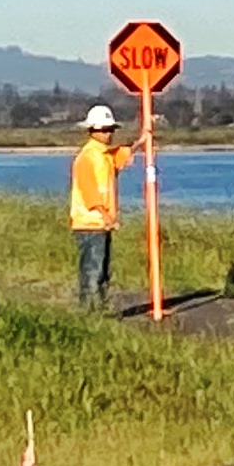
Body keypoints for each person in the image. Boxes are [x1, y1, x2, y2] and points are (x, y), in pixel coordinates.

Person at [67, 105, 136, 311]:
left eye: (111, 130)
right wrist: (106, 216)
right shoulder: (87, 157)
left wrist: (141, 142)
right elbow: (90, 193)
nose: (109, 134)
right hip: (89, 223)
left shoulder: (105, 155)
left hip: (100, 224)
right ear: (92, 131)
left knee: (103, 270)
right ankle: (88, 311)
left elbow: (121, 156)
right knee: (92, 270)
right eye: (104, 130)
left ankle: (100, 308)